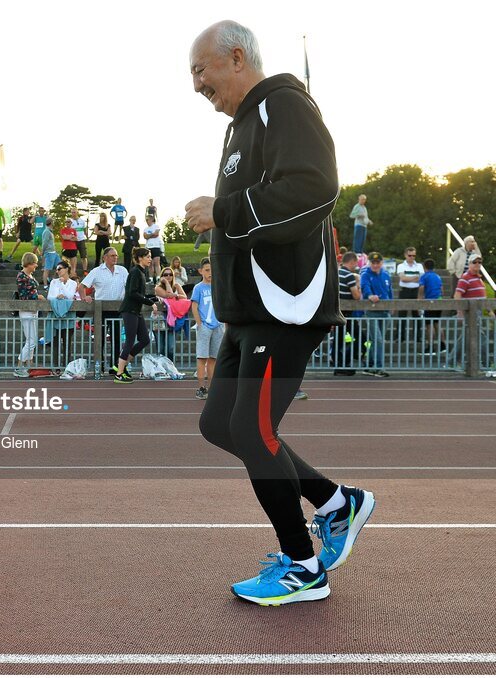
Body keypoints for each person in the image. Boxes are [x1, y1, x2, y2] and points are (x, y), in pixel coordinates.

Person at [185, 20, 374, 605]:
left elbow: (316, 188)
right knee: (220, 424)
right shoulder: (240, 126)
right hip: (248, 312)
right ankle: (337, 502)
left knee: (252, 429)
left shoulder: (284, 105)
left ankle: (303, 565)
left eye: (201, 70)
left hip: (285, 306)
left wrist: (222, 211)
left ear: (237, 57)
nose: (196, 85)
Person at [112, 248, 159, 384]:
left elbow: (140, 294)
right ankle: (119, 374)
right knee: (130, 341)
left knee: (145, 339)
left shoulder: (141, 272)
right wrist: (150, 302)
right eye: (147, 257)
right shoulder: (135, 272)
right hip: (129, 310)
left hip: (136, 311)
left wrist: (154, 298)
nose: (150, 259)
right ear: (140, 258)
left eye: (150, 257)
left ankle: (121, 365)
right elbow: (132, 293)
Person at [81, 247, 129, 374]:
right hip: (100, 311)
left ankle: (115, 367)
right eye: (112, 255)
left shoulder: (122, 270)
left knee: (117, 340)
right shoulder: (96, 271)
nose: (115, 258)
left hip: (118, 309)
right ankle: (100, 366)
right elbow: (82, 286)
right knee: (99, 339)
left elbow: (129, 287)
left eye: (116, 255)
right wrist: (84, 297)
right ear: (105, 257)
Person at [189, 258, 221, 399]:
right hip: (205, 326)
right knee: (202, 357)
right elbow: (194, 306)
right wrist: (200, 324)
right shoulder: (199, 288)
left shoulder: (218, 286)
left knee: (213, 358)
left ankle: (212, 388)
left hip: (217, 325)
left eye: (212, 270)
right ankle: (201, 387)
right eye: (207, 270)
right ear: (201, 271)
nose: (210, 273)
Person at [360, 252, 393, 377]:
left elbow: (390, 291)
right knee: (378, 340)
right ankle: (378, 367)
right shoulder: (365, 274)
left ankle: (369, 365)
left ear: (381, 263)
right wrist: (370, 295)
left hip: (385, 311)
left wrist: (392, 305)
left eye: (377, 262)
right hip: (372, 311)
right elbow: (365, 287)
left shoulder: (386, 274)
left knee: (377, 340)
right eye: (373, 263)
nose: (375, 265)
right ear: (369, 263)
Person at [333, 251, 363, 376]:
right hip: (347, 315)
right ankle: (344, 362)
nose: (356, 265)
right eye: (356, 263)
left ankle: (338, 364)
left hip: (336, 313)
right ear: (352, 262)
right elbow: (356, 296)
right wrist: (358, 284)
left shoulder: (336, 273)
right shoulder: (349, 275)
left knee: (338, 340)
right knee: (360, 338)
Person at [47, 260, 80, 372]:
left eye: (59, 269)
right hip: (55, 316)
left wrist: (62, 285)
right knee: (55, 343)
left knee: (67, 344)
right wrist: (59, 296)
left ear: (66, 269)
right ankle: (56, 367)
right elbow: (50, 296)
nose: (57, 271)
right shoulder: (53, 282)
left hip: (69, 316)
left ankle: (67, 367)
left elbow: (70, 295)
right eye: (56, 269)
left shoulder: (73, 283)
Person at [14, 253, 41, 378]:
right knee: (31, 340)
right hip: (26, 310)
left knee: (32, 339)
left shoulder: (29, 275)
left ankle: (29, 365)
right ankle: (19, 366)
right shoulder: (21, 276)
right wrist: (38, 297)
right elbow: (24, 295)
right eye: (35, 263)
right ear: (29, 263)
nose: (36, 265)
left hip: (33, 310)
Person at [152, 267, 187, 362]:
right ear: (162, 276)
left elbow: (184, 297)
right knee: (160, 348)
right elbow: (169, 295)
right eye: (165, 275)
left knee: (171, 348)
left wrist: (175, 295)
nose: (168, 276)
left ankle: (170, 366)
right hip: (159, 318)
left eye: (170, 274)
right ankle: (161, 367)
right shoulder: (158, 288)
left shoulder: (177, 285)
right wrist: (167, 284)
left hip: (173, 319)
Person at [396, 246, 424, 336]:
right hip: (404, 291)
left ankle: (418, 337)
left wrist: (408, 278)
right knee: (402, 314)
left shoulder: (419, 266)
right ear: (405, 255)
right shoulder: (401, 266)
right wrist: (415, 277)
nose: (412, 257)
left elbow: (421, 279)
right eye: (410, 255)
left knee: (416, 314)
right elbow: (403, 278)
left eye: (414, 255)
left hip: (416, 291)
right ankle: (400, 337)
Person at [419, 258, 445, 354]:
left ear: (424, 267)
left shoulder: (424, 276)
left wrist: (419, 299)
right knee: (437, 323)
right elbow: (442, 290)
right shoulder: (437, 276)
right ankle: (443, 346)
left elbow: (421, 288)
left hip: (430, 302)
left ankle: (430, 347)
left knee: (429, 325)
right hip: (439, 300)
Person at [143, 212, 163, 278]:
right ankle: (151, 278)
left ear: (151, 219)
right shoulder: (145, 228)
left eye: (147, 220)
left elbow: (156, 234)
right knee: (150, 264)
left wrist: (149, 235)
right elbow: (145, 236)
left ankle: (158, 277)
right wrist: (152, 234)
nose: (147, 221)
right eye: (146, 220)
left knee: (157, 263)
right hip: (148, 247)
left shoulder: (156, 226)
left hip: (156, 246)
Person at [39, 219, 58, 287]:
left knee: (60, 266)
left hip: (54, 252)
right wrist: (43, 251)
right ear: (51, 223)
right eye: (53, 222)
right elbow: (45, 243)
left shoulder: (50, 231)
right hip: (49, 252)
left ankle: (52, 280)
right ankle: (45, 285)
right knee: (47, 269)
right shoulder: (46, 231)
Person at [71, 208, 89, 274]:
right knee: (73, 257)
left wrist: (87, 237)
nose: (73, 214)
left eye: (74, 212)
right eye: (72, 212)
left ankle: (85, 270)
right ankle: (73, 271)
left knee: (84, 256)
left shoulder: (82, 221)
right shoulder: (70, 221)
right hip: (73, 241)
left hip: (81, 240)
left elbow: (85, 230)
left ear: (77, 213)